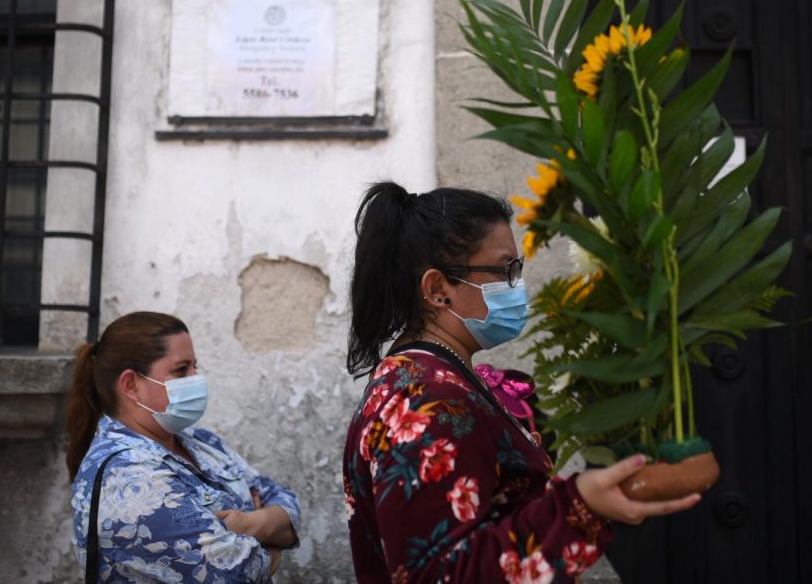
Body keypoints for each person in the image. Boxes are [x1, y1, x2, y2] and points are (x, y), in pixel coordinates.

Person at [342, 182, 699, 583]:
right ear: (438, 289)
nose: (518, 285)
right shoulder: (426, 401)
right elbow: (440, 574)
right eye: (504, 269)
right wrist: (579, 506)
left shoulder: (435, 380)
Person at [66, 311, 301, 583]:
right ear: (131, 385)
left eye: (195, 366)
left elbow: (288, 504)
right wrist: (270, 541)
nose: (196, 378)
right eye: (181, 370)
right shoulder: (127, 475)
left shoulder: (201, 442)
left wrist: (246, 525)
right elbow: (234, 572)